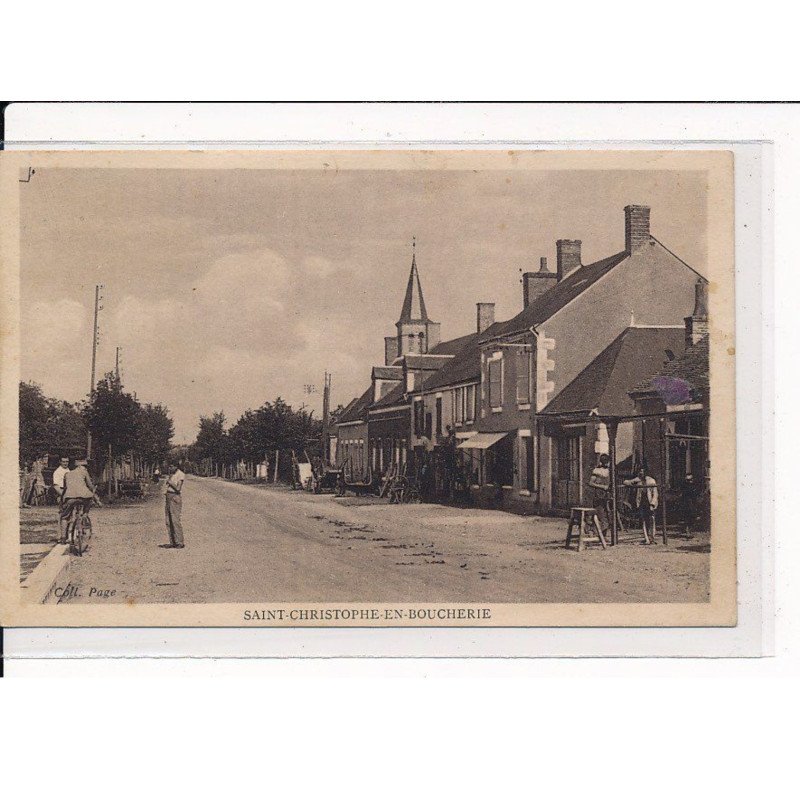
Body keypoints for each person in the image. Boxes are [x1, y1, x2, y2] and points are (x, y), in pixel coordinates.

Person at [59, 458, 101, 544]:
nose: (86, 468)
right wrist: (97, 499)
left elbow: (65, 488)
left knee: (64, 517)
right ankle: (85, 515)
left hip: (70, 498)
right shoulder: (84, 472)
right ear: (81, 466)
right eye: (85, 466)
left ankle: (63, 538)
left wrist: (62, 500)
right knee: (89, 500)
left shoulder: (67, 474)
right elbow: (90, 486)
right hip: (84, 497)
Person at [624, 468, 659, 544]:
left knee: (651, 520)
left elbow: (655, 494)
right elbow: (626, 482)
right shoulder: (638, 479)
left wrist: (652, 504)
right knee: (644, 520)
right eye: (640, 471)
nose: (641, 473)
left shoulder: (651, 480)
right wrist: (632, 482)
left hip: (649, 502)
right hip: (642, 502)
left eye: (642, 471)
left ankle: (652, 537)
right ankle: (646, 538)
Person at [588, 453, 611, 537]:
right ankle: (593, 532)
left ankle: (603, 536)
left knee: (607, 516)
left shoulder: (610, 471)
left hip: (607, 496)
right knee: (599, 514)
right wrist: (602, 487)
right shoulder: (597, 471)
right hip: (599, 495)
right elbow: (591, 483)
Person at [164, 462, 186, 548]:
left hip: (174, 497)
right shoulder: (172, 474)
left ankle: (180, 542)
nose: (170, 468)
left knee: (175, 520)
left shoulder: (180, 474)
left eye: (172, 466)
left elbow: (178, 488)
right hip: (168, 496)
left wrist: (170, 482)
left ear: (176, 466)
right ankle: (172, 542)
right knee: (168, 520)